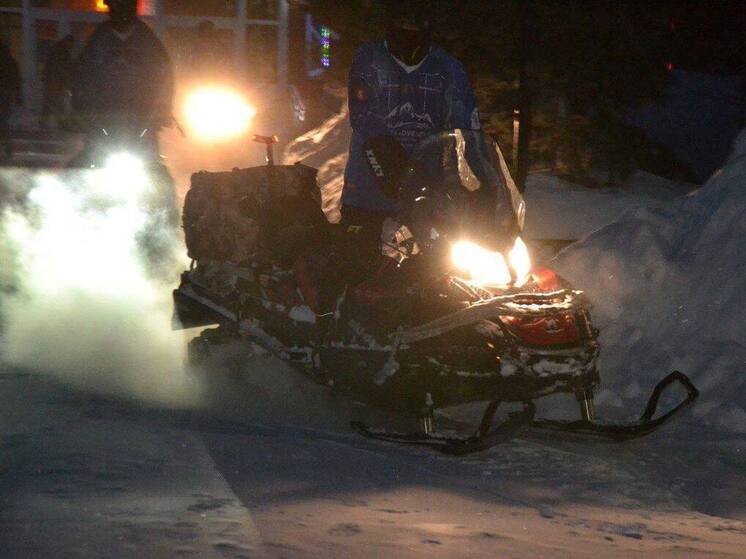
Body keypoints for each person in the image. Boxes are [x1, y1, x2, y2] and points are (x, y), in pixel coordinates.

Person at [339, 0, 483, 268]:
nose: (409, 29)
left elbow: (466, 129)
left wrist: (477, 182)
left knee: (442, 272)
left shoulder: (448, 69)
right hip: (369, 187)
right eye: (403, 21)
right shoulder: (369, 58)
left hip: (427, 194)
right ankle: (331, 309)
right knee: (356, 265)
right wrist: (387, 158)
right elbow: (363, 114)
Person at [71, 0, 173, 134]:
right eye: (116, 6)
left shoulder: (147, 40)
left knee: (149, 153)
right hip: (105, 121)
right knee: (93, 152)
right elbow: (82, 76)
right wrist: (81, 110)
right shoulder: (98, 39)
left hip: (140, 122)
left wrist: (162, 111)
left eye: (125, 6)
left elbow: (163, 76)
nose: (121, 11)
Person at [41, 34, 75, 129]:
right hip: (56, 82)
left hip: (52, 82)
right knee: (57, 104)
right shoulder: (63, 52)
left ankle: (45, 123)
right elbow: (64, 69)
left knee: (50, 103)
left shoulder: (56, 50)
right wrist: (66, 83)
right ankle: (61, 124)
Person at [0, 39, 21, 159]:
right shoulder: (10, 62)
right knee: (4, 122)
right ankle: (7, 149)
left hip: (4, 93)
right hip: (6, 95)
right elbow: (16, 80)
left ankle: (7, 148)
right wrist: (18, 95)